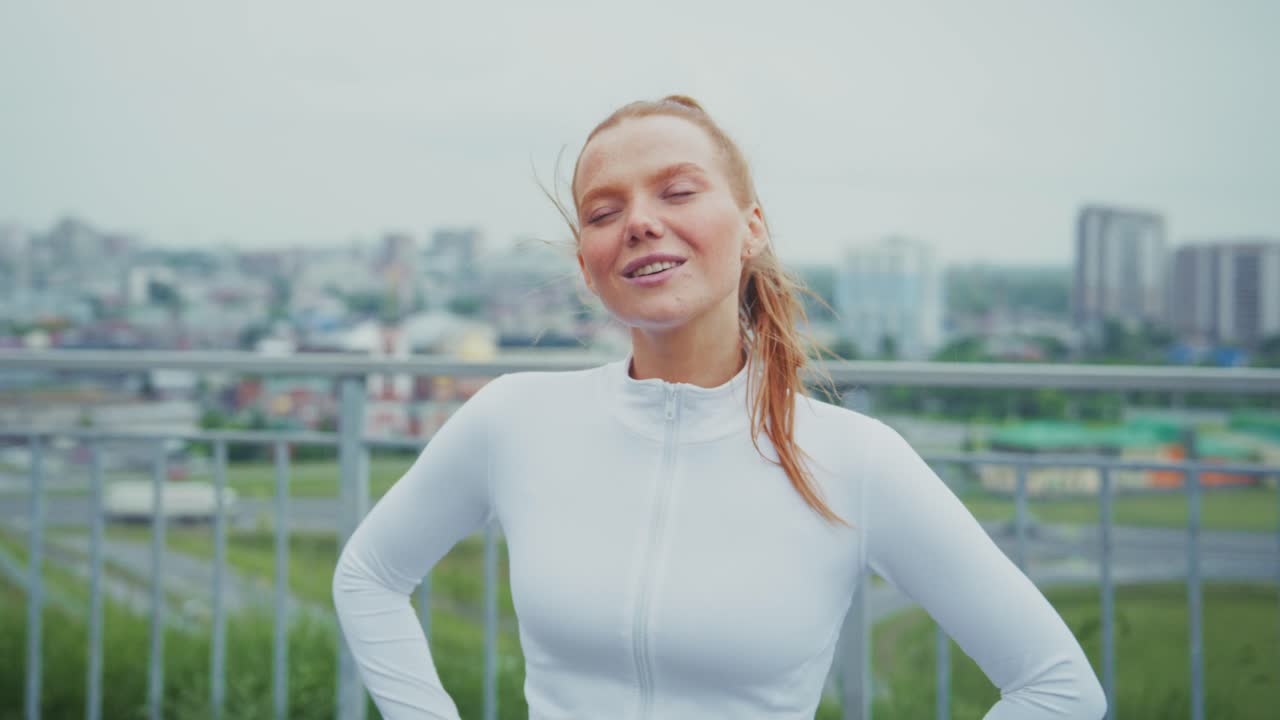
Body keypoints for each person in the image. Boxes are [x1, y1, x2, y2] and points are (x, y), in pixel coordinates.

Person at [332, 95, 1107, 719]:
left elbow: (1058, 688)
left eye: (676, 191)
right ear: (587, 265)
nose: (638, 220)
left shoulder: (855, 459)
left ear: (752, 229)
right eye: (603, 213)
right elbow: (368, 575)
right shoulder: (513, 419)